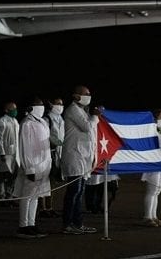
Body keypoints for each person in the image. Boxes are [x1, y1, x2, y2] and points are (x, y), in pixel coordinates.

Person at [61, 85, 100, 235]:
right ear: (76, 96)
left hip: (83, 157)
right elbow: (87, 127)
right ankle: (67, 224)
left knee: (80, 192)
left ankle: (78, 223)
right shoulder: (72, 110)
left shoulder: (83, 111)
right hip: (74, 156)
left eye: (89, 93)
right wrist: (95, 116)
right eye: (86, 94)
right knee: (74, 192)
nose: (89, 96)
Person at [13, 97, 51, 238]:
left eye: (42, 104)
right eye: (38, 105)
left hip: (43, 165)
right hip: (33, 166)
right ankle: (23, 226)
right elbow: (26, 148)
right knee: (27, 196)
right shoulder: (27, 124)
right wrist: (29, 168)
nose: (41, 107)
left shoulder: (41, 122)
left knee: (35, 197)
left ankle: (31, 224)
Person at [140, 109, 161, 227]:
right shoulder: (149, 131)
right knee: (152, 191)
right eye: (160, 117)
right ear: (154, 119)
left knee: (157, 191)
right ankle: (147, 217)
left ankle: (154, 216)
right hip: (153, 164)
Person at [39, 97, 65, 218]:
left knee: (51, 182)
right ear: (51, 104)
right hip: (48, 153)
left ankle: (49, 207)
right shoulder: (46, 119)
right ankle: (42, 207)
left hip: (57, 153)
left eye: (61, 104)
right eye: (57, 103)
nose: (60, 106)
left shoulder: (61, 119)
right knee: (43, 181)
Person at [0, 101, 20, 207]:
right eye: (12, 109)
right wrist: (1, 153)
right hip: (5, 153)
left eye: (15, 108)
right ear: (6, 110)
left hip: (15, 153)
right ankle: (1, 198)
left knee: (13, 176)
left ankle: (9, 197)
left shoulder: (15, 121)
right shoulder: (1, 122)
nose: (15, 111)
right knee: (3, 175)